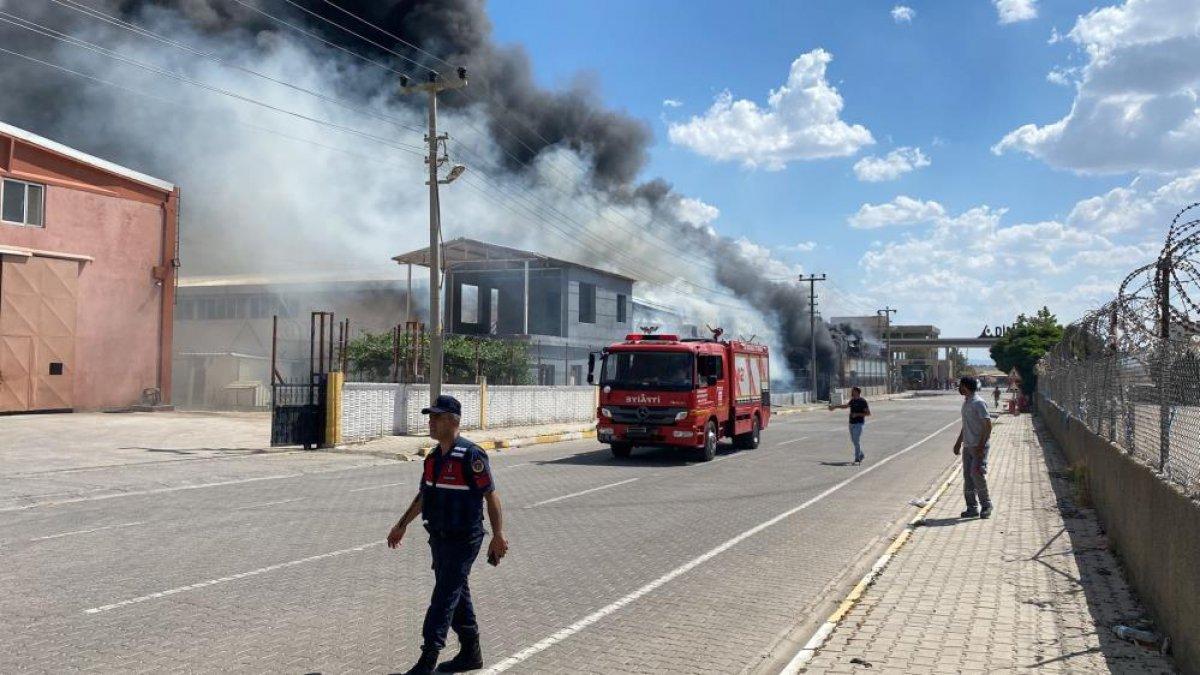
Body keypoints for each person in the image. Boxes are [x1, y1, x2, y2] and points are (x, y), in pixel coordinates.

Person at [387, 395, 509, 674]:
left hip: (465, 537)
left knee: (444, 595)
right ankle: (471, 653)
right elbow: (423, 496)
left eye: (436, 418)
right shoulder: (432, 459)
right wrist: (401, 524)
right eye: (430, 417)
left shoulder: (471, 455)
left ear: (452, 421)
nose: (430, 422)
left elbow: (491, 496)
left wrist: (498, 535)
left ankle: (427, 658)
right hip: (439, 537)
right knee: (456, 591)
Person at [953, 377, 993, 519]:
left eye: (960, 385)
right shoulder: (967, 402)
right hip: (968, 446)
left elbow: (988, 425)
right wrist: (958, 443)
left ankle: (986, 505)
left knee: (976, 474)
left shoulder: (978, 402)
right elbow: (966, 425)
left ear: (965, 386)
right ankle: (972, 507)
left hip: (978, 446)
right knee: (968, 477)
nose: (959, 388)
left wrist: (981, 447)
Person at [829, 386, 871, 464]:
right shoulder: (853, 400)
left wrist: (857, 414)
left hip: (859, 424)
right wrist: (835, 407)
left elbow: (868, 413)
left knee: (856, 440)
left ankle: (857, 457)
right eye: (852, 391)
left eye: (853, 391)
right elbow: (846, 406)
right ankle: (861, 454)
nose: (852, 392)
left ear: (857, 392)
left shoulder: (863, 401)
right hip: (851, 423)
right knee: (854, 440)